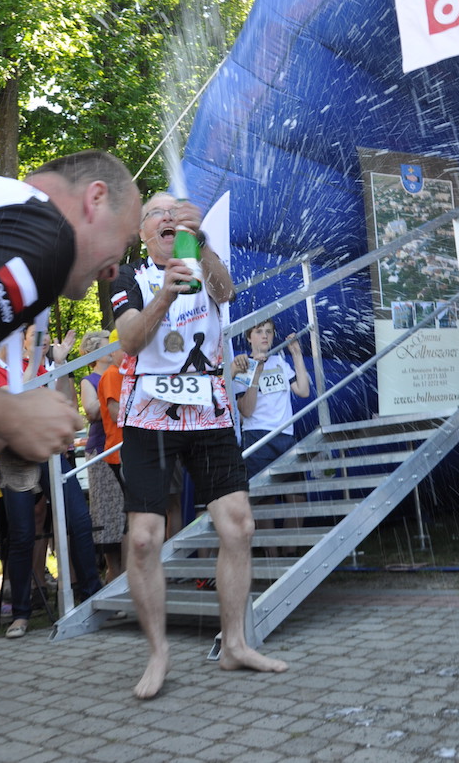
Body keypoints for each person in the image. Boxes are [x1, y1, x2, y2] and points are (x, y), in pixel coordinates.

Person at [0, 149, 140, 697]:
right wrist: (13, 414)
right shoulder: (44, 229)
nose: (115, 270)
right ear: (94, 199)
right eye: (124, 242)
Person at [111, 192, 288, 699]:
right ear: (144, 231)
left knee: (239, 525)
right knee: (144, 539)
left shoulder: (205, 259)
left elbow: (226, 291)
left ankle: (235, 644)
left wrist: (203, 243)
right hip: (150, 413)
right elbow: (129, 340)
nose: (169, 217)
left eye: (177, 211)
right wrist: (165, 296)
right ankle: (158, 654)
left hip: (207, 409)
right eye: (158, 213)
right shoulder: (129, 277)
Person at [0, 323, 102, 639]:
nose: (43, 340)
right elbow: (12, 406)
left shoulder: (41, 365)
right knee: (23, 534)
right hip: (15, 458)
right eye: (32, 336)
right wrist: (38, 368)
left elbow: (65, 404)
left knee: (79, 520)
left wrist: (60, 366)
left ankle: (92, 595)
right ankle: (21, 614)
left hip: (50, 452)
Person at [234, 319, 311, 557]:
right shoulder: (241, 365)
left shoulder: (279, 361)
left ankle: (290, 552)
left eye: (269, 331)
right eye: (259, 332)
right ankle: (272, 556)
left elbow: (303, 391)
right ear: (249, 337)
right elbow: (246, 410)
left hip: (285, 434)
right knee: (264, 500)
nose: (265, 336)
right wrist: (256, 370)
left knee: (297, 497)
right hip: (257, 436)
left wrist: (296, 355)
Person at [80, 331, 125, 583]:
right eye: (107, 345)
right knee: (107, 510)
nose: (111, 349)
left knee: (122, 509)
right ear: (93, 353)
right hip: (101, 448)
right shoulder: (91, 380)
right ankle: (112, 570)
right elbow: (90, 411)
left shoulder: (122, 372)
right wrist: (109, 394)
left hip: (122, 446)